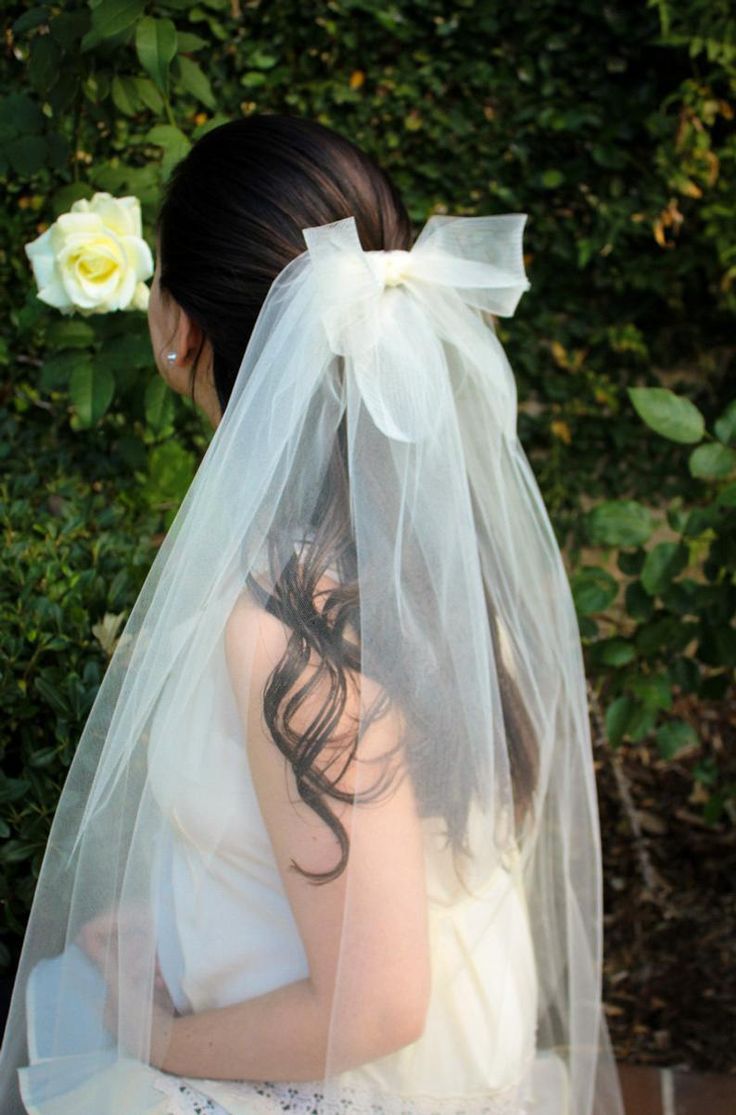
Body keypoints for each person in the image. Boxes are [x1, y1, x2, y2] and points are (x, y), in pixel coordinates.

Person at [0, 115, 626, 1115]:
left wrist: (157, 1034)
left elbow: (375, 1006)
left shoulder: (289, 624)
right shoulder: (411, 545)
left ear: (179, 326)